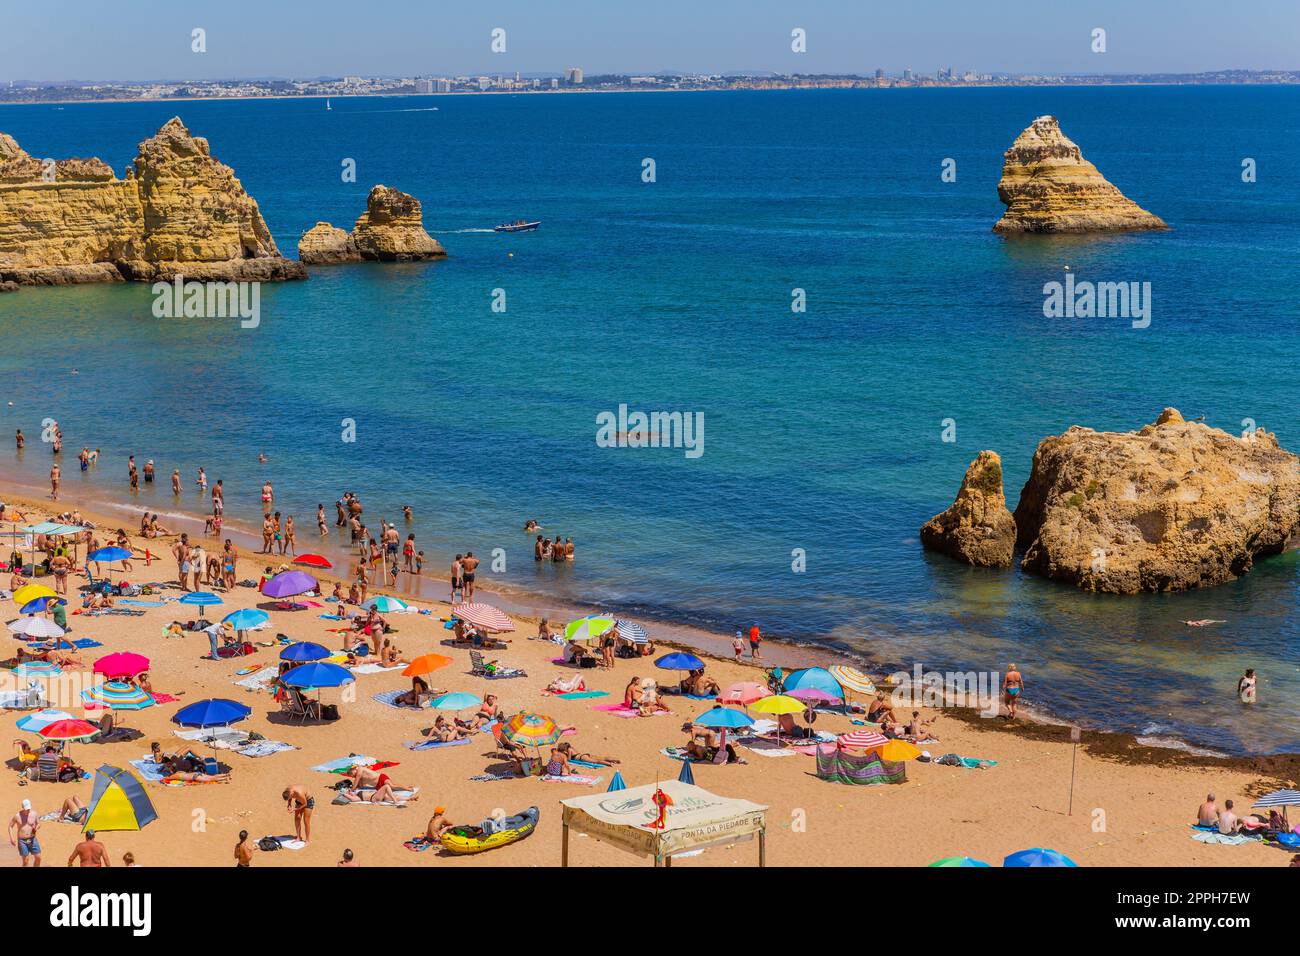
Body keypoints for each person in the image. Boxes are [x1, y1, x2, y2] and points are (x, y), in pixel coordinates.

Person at [8, 799, 41, 867]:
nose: (28, 810)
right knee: (26, 860)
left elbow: (39, 823)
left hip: (32, 839)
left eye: (29, 808)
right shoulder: (17, 816)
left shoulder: (34, 813)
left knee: (38, 858)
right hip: (22, 841)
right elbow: (10, 826)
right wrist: (11, 838)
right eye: (26, 809)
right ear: (23, 807)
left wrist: (36, 828)